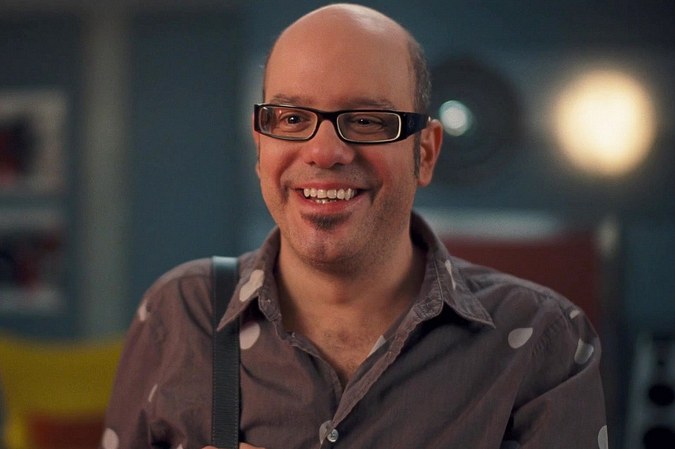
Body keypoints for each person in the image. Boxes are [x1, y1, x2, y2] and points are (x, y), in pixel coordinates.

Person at [101, 4, 608, 449]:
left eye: (366, 121)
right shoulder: (178, 316)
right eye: (293, 119)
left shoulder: (544, 341)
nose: (324, 152)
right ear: (260, 146)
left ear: (425, 152)